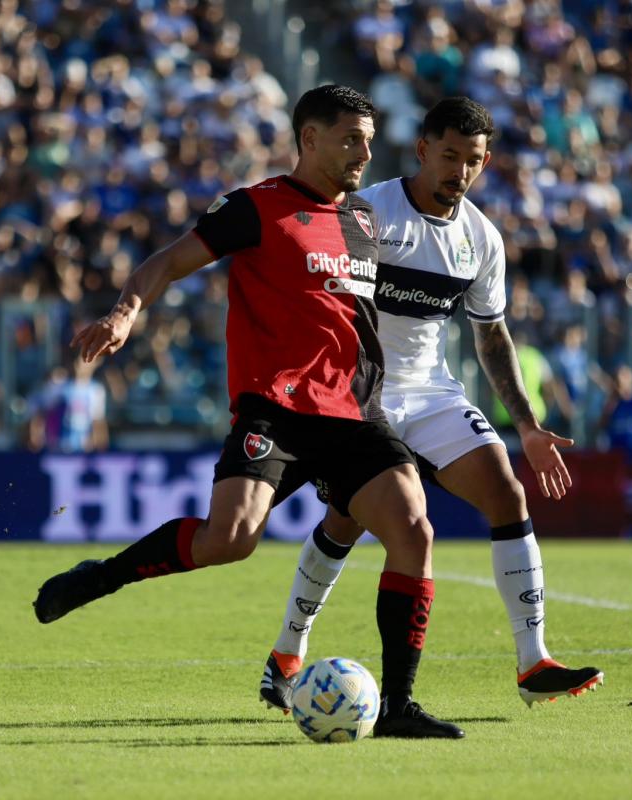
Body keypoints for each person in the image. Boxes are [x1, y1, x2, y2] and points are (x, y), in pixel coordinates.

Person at [33, 85, 463, 739]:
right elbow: (167, 262)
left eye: (370, 141)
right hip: (277, 410)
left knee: (414, 530)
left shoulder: (366, 223)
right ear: (310, 139)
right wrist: (126, 312)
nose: (363, 153)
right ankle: (105, 576)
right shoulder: (256, 208)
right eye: (350, 138)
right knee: (229, 541)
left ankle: (399, 705)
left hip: (353, 415)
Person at [257, 98, 603, 713]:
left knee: (506, 491)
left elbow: (490, 334)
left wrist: (526, 424)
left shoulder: (481, 239)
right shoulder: (367, 212)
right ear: (422, 150)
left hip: (431, 393)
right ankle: (288, 651)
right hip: (359, 395)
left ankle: (533, 661)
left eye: (472, 161)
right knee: (347, 519)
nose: (459, 171)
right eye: (449, 156)